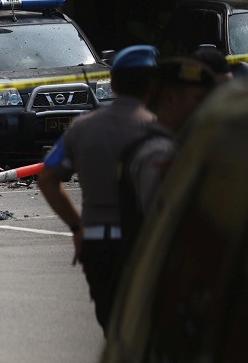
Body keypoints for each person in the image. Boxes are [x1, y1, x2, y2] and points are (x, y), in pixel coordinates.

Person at [37, 44, 158, 336]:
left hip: (97, 244)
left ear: (114, 83)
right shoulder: (160, 129)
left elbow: (47, 178)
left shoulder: (82, 128)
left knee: (112, 327)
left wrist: (77, 227)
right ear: (154, 84)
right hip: (144, 247)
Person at [118, 56, 218, 253]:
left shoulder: (148, 141)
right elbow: (165, 226)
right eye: (198, 99)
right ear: (170, 99)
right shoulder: (158, 152)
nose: (205, 108)